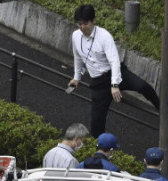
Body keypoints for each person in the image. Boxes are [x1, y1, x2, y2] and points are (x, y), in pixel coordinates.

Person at [67, 6, 159, 139]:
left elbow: (114, 61)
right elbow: (78, 58)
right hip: (98, 81)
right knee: (96, 122)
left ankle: (162, 109)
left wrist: (115, 85)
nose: (82, 27)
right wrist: (76, 78)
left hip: (116, 73)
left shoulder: (104, 36)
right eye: (79, 24)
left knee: (142, 86)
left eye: (85, 24)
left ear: (94, 21)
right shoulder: (75, 36)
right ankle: (100, 151)